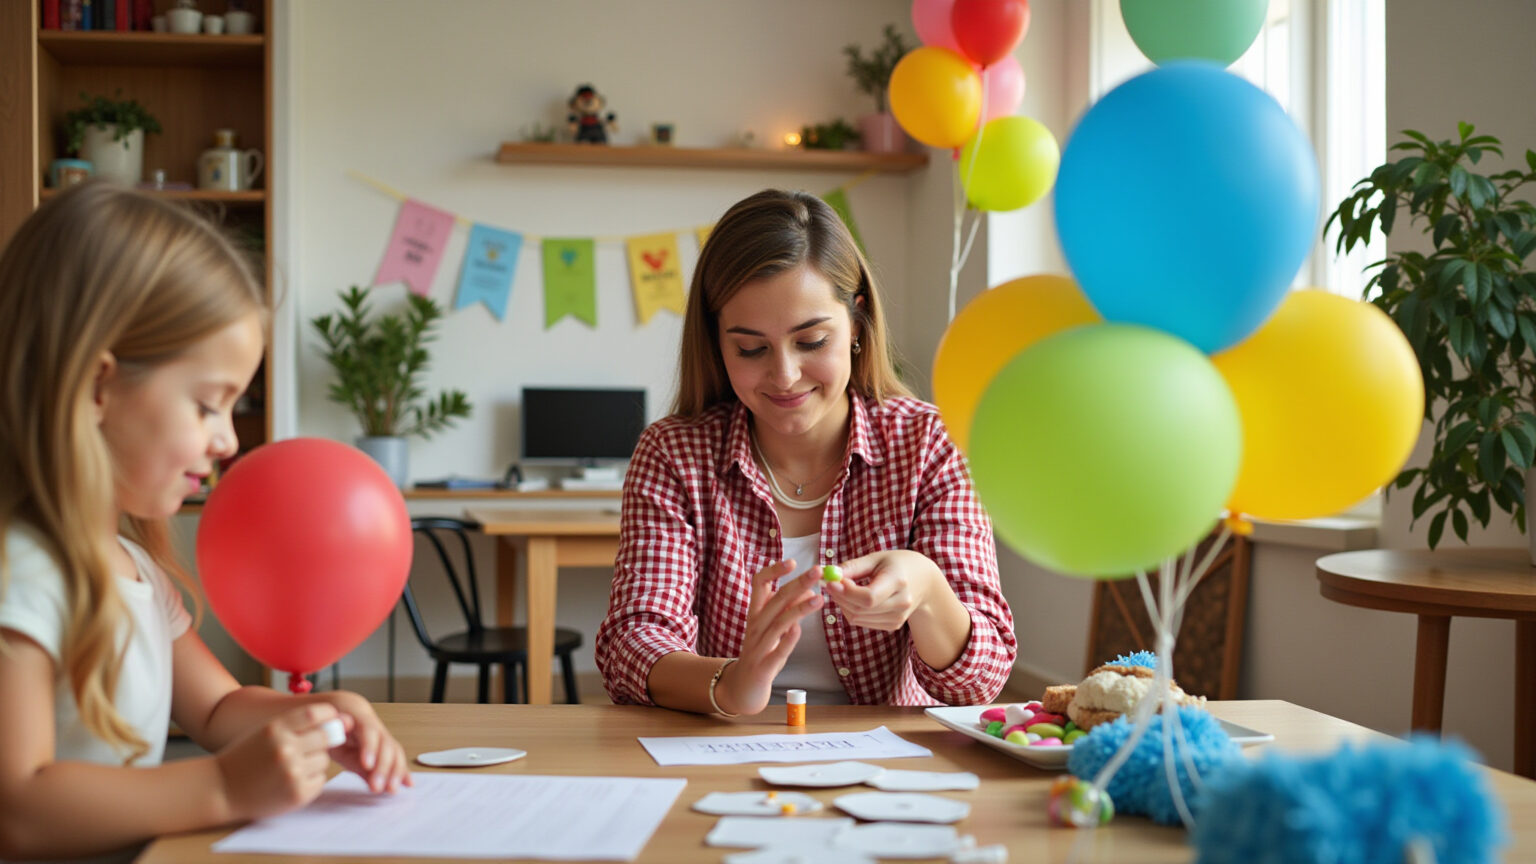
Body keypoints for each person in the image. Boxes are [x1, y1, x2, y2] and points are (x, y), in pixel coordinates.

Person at [0, 183, 412, 863]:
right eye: (207, 405)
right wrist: (222, 787)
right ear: (98, 387)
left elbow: (219, 711)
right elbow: (16, 808)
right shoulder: (22, 575)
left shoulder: (134, 568)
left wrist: (321, 715)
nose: (228, 441)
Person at [595, 189, 1015, 716]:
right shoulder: (674, 454)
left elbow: (980, 684)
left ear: (857, 322)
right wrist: (730, 684)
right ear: (717, 343)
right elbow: (632, 642)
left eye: (812, 341)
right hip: (722, 746)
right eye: (750, 348)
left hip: (885, 755)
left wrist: (928, 591)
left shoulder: (929, 444)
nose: (785, 375)